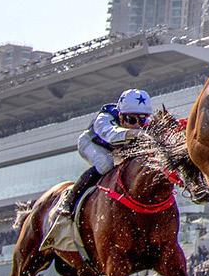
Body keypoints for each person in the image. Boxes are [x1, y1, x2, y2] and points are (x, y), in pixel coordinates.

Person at [56, 87, 153, 217]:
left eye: (142, 119)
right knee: (105, 164)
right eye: (131, 119)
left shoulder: (146, 124)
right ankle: (70, 200)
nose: (137, 124)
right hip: (91, 144)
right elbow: (112, 135)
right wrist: (136, 133)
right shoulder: (104, 118)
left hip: (116, 150)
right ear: (120, 115)